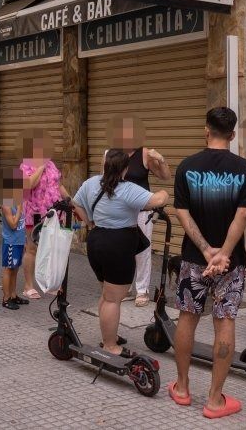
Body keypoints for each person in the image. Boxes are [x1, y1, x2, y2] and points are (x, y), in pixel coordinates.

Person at [168, 107, 246, 419]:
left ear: (207, 130)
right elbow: (243, 215)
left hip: (195, 259)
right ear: (232, 135)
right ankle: (215, 400)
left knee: (187, 318)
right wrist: (224, 254)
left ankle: (181, 387)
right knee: (225, 321)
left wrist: (207, 251)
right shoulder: (245, 169)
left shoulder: (187, 166)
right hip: (231, 264)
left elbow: (182, 212)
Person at [72, 149, 169, 356]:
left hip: (96, 242)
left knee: (107, 294)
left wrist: (89, 221)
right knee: (112, 299)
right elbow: (158, 201)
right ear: (126, 168)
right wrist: (165, 193)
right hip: (119, 244)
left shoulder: (91, 183)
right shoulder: (128, 189)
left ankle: (109, 336)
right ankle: (110, 345)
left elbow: (76, 202)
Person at [104, 114, 170, 307]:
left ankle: (142, 290)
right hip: (118, 209)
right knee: (122, 251)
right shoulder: (110, 153)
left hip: (142, 210)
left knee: (142, 250)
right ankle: (125, 288)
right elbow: (104, 180)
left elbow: (164, 176)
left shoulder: (145, 153)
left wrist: (161, 159)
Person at [18, 129, 69, 300]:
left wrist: (70, 201)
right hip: (34, 213)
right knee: (32, 249)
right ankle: (28, 286)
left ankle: (51, 284)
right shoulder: (25, 166)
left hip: (54, 213)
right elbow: (29, 184)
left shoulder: (52, 165)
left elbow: (58, 185)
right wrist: (39, 166)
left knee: (53, 249)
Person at [0, 167, 29, 310]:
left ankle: (14, 295)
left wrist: (25, 240)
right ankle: (6, 298)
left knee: (15, 269)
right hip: (10, 243)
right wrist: (21, 207)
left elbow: (22, 225)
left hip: (19, 241)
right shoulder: (7, 204)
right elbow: (14, 225)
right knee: (9, 269)